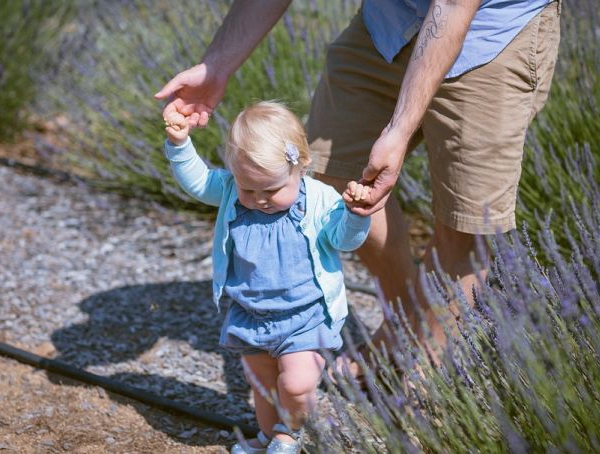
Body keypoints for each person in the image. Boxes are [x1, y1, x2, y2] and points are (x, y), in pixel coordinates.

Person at [156, 0, 560, 377]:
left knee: (466, 222)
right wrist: (215, 66)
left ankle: (425, 381)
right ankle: (405, 322)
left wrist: (399, 130)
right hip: (391, 21)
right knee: (334, 174)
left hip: (491, 37)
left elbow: (454, 7)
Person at [163, 101, 371, 453]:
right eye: (249, 189)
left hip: (305, 316)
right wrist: (180, 145)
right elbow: (198, 183)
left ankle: (289, 433)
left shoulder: (320, 200)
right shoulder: (231, 191)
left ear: (301, 166)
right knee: (262, 386)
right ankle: (267, 436)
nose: (259, 200)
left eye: (271, 190)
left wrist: (356, 216)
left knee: (298, 383)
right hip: (251, 313)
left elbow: (344, 240)